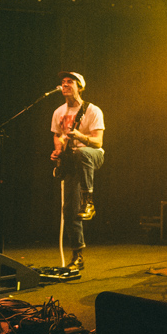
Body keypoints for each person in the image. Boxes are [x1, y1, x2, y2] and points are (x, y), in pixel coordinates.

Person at [50, 72, 104, 271]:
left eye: (70, 82)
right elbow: (57, 135)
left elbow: (98, 142)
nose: (65, 85)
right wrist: (58, 151)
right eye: (63, 82)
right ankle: (77, 256)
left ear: (80, 87)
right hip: (71, 160)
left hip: (92, 155)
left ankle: (88, 200)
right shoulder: (58, 112)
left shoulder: (92, 110)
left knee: (83, 153)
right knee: (70, 210)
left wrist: (80, 136)